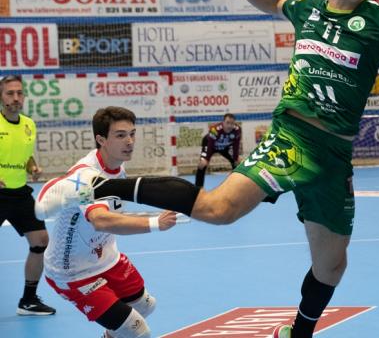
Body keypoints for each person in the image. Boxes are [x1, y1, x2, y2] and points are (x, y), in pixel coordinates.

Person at [39, 0, 379, 338]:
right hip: (292, 136)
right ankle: (104, 184)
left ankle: (297, 331)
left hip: (335, 155)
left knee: (331, 266)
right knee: (218, 209)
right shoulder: (308, 10)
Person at [35, 106, 177, 338]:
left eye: (132, 133)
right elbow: (101, 220)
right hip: (73, 271)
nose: (129, 141)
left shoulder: (117, 164)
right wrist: (154, 223)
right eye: (120, 135)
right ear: (101, 139)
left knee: (145, 305)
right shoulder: (86, 177)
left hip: (106, 258)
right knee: (139, 332)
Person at [0, 74, 56, 316]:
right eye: (9, 93)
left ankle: (29, 300)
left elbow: (25, 154)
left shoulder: (28, 124)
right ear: (1, 97)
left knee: (41, 241)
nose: (15, 98)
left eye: (19, 93)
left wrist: (32, 167)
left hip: (20, 194)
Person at [195, 113, 241, 186]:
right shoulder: (215, 129)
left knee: (237, 164)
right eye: (227, 123)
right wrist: (206, 159)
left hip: (225, 147)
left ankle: (236, 185)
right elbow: (210, 145)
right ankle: (198, 188)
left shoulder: (237, 130)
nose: (229, 126)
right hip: (210, 145)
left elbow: (236, 145)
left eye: (232, 123)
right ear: (223, 122)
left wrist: (235, 158)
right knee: (202, 165)